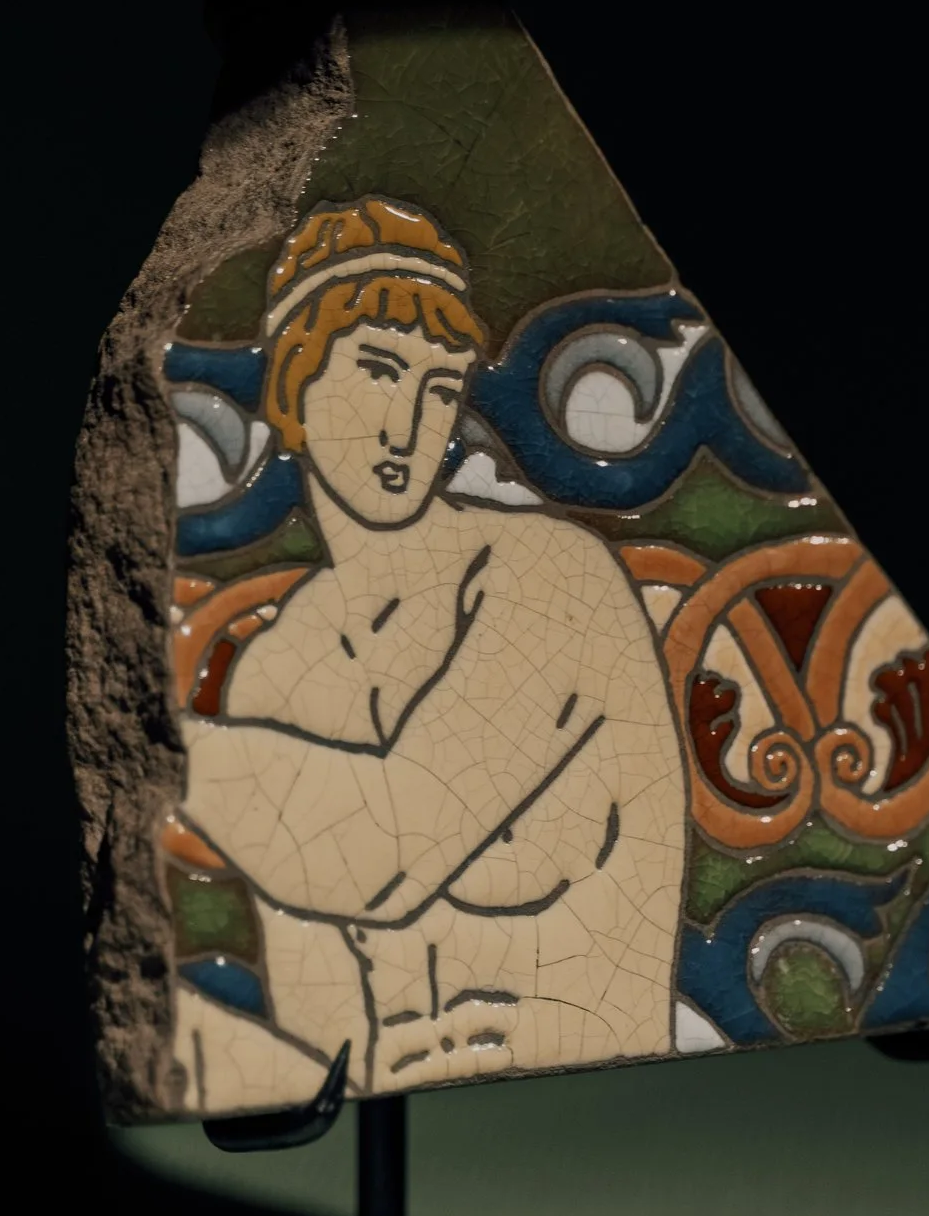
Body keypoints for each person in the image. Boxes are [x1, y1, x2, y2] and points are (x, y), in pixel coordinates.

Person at [175, 198, 688, 1108]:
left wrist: (160, 750)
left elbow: (388, 843)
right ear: (294, 382)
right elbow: (326, 1032)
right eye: (379, 371)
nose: (410, 424)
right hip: (427, 1128)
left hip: (602, 1118)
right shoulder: (282, 671)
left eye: (441, 388)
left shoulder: (550, 578)